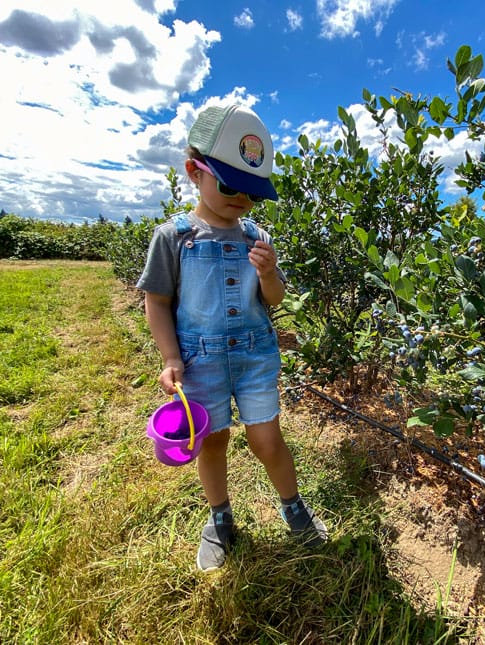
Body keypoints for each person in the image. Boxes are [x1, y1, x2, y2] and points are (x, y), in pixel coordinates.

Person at [136, 104, 327, 571]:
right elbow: (157, 301)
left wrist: (268, 274)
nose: (241, 198)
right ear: (194, 172)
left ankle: (293, 507)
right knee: (212, 442)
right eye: (228, 185)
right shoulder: (173, 237)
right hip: (200, 363)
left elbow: (274, 299)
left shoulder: (257, 237)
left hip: (255, 358)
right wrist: (170, 357)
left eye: (252, 192)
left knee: (268, 441)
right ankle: (220, 518)